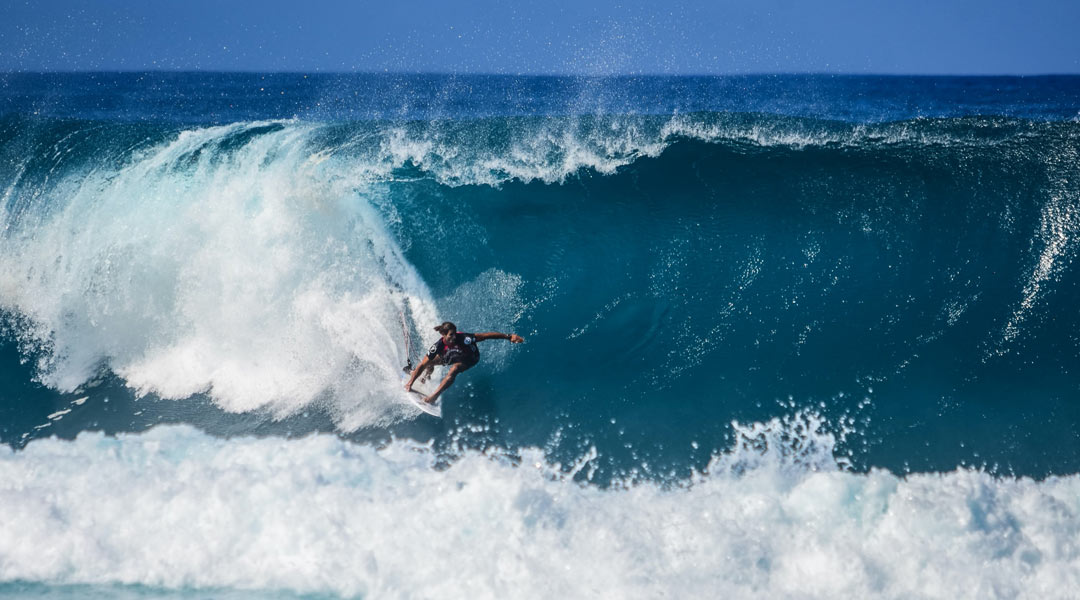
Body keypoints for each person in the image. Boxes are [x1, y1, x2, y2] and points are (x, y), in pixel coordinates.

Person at [404, 321, 524, 404]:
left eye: (455, 333)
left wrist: (508, 337)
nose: (454, 337)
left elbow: (485, 336)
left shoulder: (465, 339)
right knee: (429, 363)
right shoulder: (438, 346)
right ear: (443, 335)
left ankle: (434, 397)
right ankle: (424, 378)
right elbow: (423, 364)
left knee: (454, 370)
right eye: (451, 335)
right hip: (451, 355)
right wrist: (410, 383)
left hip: (470, 358)